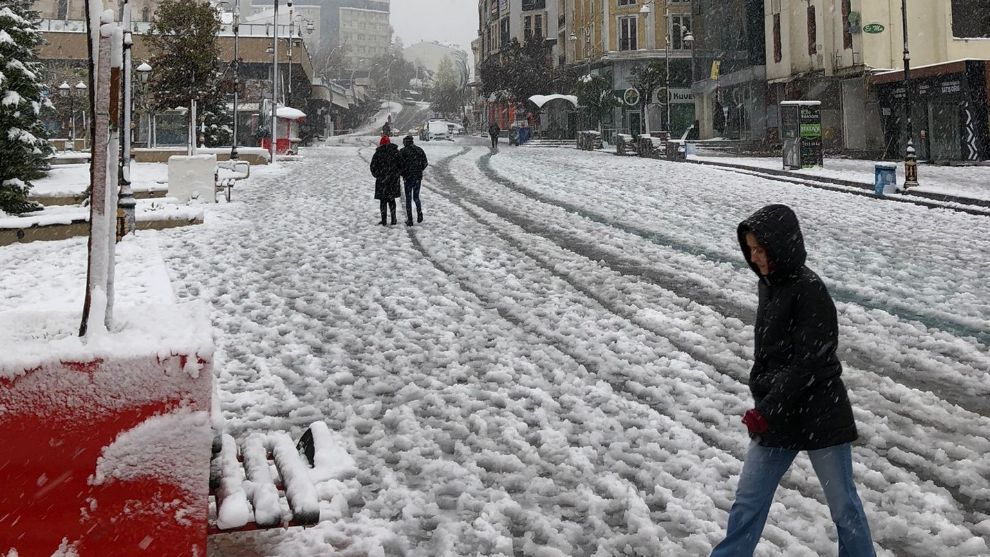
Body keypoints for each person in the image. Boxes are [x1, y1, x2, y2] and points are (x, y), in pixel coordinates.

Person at [711, 204, 875, 557]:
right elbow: (769, 355)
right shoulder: (769, 285)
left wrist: (766, 408)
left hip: (819, 414)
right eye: (750, 249)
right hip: (779, 416)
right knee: (747, 506)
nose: (754, 258)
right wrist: (763, 396)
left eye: (760, 249)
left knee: (845, 510)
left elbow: (809, 364)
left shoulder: (810, 290)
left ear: (779, 245)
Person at [398, 135, 429, 226]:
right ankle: (420, 214)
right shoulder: (419, 150)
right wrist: (419, 170)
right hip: (417, 177)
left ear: (405, 142)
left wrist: (403, 172)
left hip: (407, 178)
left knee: (408, 198)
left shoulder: (402, 152)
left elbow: (399, 165)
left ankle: (410, 219)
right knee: (416, 197)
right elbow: (425, 163)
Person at [370, 135, 400, 226]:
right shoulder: (395, 152)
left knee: (383, 201)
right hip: (393, 180)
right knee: (391, 199)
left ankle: (384, 220)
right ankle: (394, 219)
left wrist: (378, 175)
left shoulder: (378, 154)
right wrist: (396, 174)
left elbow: (373, 167)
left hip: (382, 180)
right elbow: (401, 164)